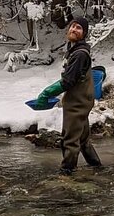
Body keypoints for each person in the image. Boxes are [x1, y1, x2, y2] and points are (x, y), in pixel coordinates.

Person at [35, 17, 102, 174]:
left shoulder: (80, 54)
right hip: (81, 101)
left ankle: (67, 173)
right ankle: (97, 167)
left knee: (69, 140)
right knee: (83, 139)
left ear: (84, 33)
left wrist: (47, 92)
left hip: (77, 104)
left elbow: (68, 81)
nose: (73, 29)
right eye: (72, 26)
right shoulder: (74, 50)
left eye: (78, 28)